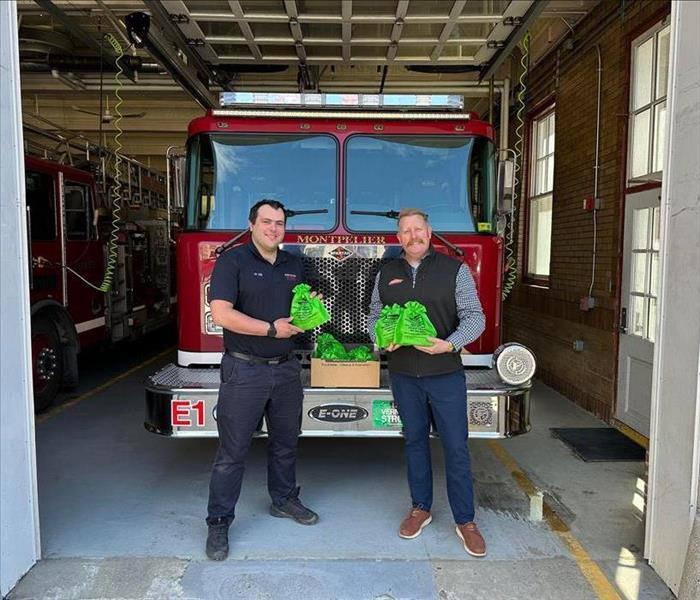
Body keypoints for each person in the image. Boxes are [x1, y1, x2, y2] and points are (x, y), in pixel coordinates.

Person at [367, 207, 487, 557]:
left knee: (456, 447)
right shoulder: (386, 272)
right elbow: (375, 314)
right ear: (398, 238)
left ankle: (466, 520)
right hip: (404, 375)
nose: (412, 236)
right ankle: (421, 508)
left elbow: (474, 317)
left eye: (418, 229)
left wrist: (449, 344)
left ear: (429, 232)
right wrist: (380, 337)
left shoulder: (455, 270)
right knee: (415, 442)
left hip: (446, 375)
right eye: (405, 231)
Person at [205, 199, 319, 561]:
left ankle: (284, 499)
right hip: (245, 369)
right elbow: (221, 314)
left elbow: (303, 308)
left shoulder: (293, 264)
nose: (273, 228)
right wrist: (272, 329)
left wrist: (310, 310)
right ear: (252, 224)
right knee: (232, 453)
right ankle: (219, 521)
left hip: (286, 368)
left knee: (285, 443)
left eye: (280, 223)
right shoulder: (232, 261)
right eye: (267, 222)